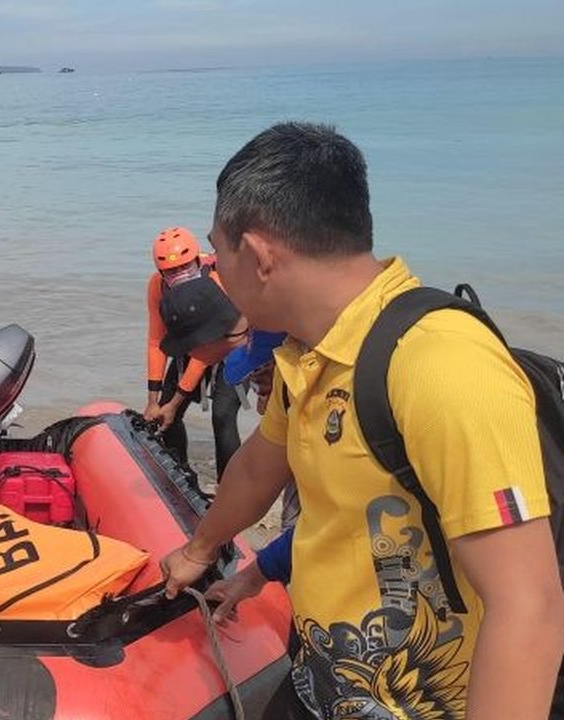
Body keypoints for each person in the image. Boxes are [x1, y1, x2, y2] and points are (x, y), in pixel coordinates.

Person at [162, 122, 564, 719]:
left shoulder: (438, 363)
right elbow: (257, 469)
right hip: (325, 681)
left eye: (220, 253)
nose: (219, 272)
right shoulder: (309, 353)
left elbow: (528, 605)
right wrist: (200, 548)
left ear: (260, 254)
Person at [143, 226, 249, 478]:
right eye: (170, 271)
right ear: (160, 272)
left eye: (184, 267)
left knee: (222, 415)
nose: (178, 274)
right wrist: (153, 401)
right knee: (166, 417)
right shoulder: (158, 287)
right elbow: (157, 341)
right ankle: (182, 474)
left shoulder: (217, 281)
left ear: (196, 260)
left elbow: (204, 355)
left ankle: (228, 487)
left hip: (232, 344)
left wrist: (174, 402)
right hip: (187, 344)